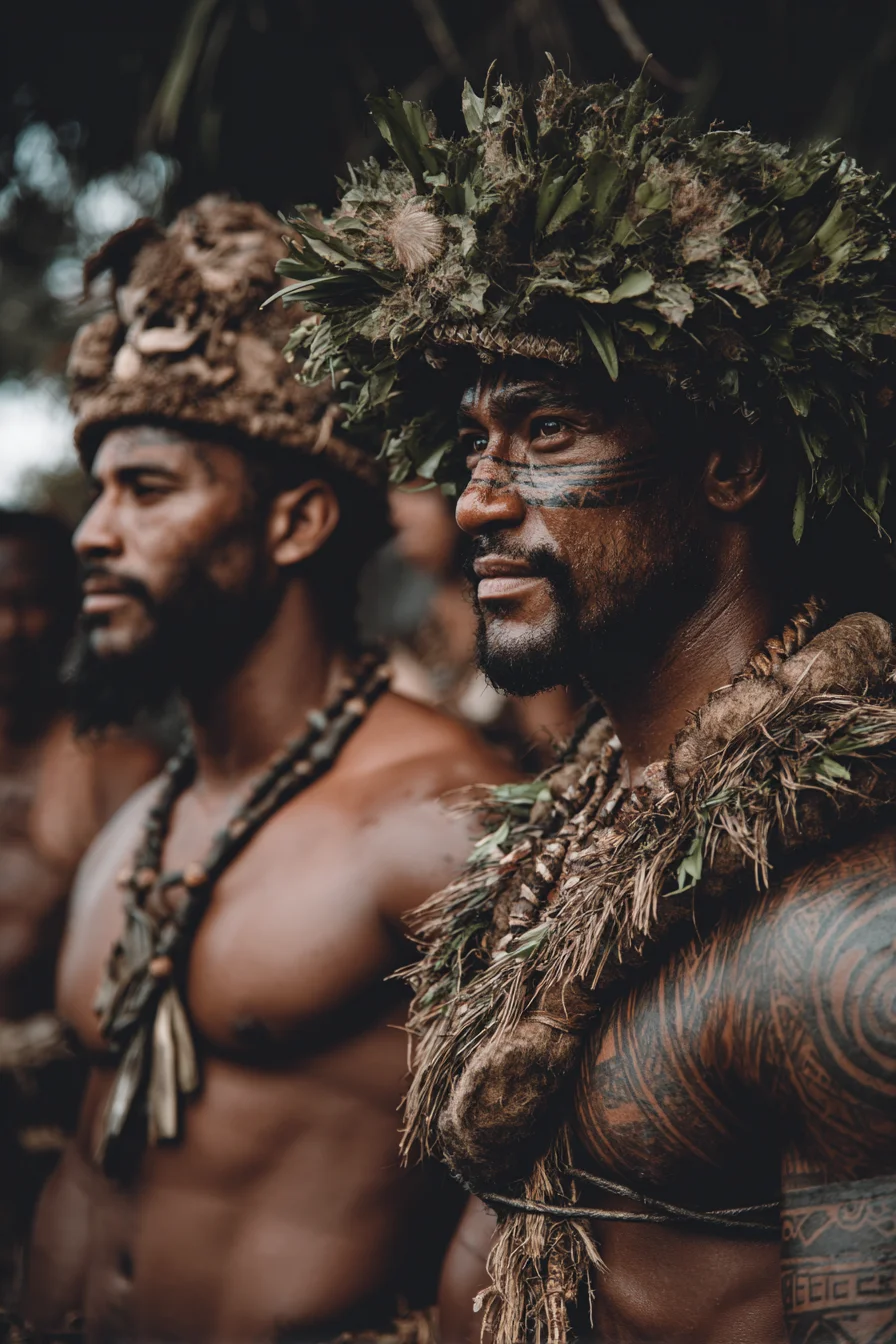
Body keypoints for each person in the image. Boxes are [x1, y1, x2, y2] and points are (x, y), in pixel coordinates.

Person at [276, 71, 896, 1343]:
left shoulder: (846, 937)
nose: (476, 502)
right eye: (471, 447)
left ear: (729, 464)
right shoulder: (582, 813)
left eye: (545, 429)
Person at [26, 196, 511, 1343]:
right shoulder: (136, 823)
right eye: (98, 492)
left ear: (294, 523)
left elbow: (555, 1219)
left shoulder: (435, 815)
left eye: (147, 490)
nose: (94, 533)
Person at [0, 509, 159, 1309]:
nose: (7, 628)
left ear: (68, 612)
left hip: (61, 1128)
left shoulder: (120, 772)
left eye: (27, 602)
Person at [381, 480, 578, 767]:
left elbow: (559, 752)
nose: (398, 513)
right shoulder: (417, 634)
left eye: (420, 493)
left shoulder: (520, 619)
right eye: (394, 494)